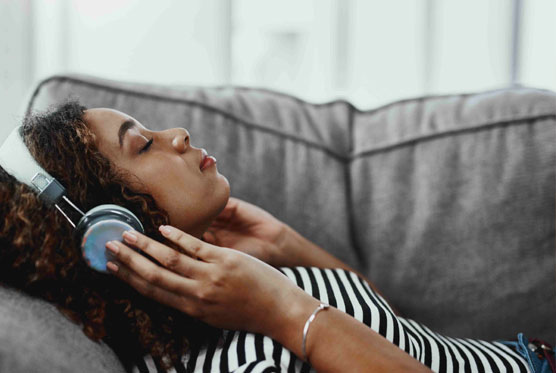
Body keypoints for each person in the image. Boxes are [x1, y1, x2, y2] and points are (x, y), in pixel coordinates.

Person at [0, 101, 550, 373]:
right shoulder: (246, 351)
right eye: (142, 145)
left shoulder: (235, 288)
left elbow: (395, 333)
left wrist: (288, 250)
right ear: (110, 230)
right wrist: (280, 309)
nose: (178, 134)